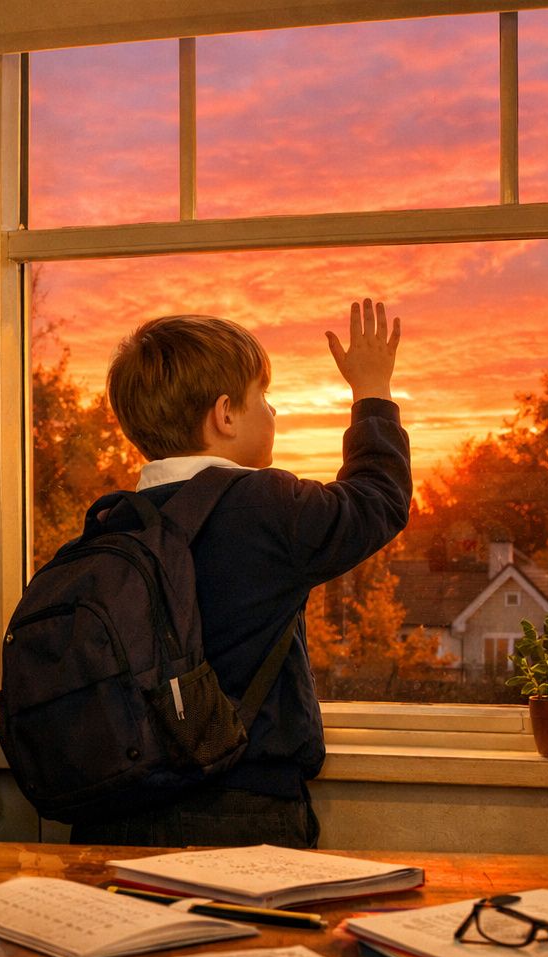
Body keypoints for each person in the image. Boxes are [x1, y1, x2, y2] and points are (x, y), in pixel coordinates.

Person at [69, 298, 409, 849]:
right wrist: (372, 391)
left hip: (111, 819)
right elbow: (378, 500)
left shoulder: (114, 523)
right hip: (239, 816)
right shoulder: (264, 505)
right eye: (263, 397)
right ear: (225, 415)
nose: (274, 412)